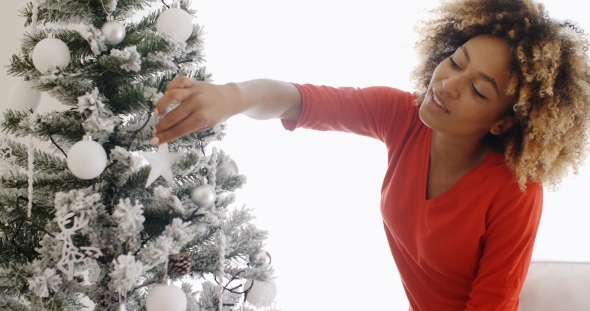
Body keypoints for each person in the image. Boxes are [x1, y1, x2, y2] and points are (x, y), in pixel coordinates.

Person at [150, 0, 590, 310]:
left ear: (503, 122)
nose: (448, 85)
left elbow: (492, 306)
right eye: (456, 61)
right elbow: (298, 100)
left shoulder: (515, 191)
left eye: (478, 89)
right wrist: (231, 96)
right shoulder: (402, 114)